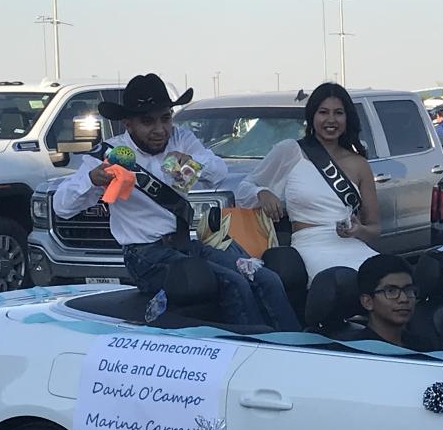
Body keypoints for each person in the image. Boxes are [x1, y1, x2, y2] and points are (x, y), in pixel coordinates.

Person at [53, 73, 300, 330]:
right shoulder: (110, 153)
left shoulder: (181, 139)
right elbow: (62, 206)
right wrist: (93, 180)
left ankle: (297, 347)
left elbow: (219, 174)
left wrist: (192, 166)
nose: (160, 129)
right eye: (147, 121)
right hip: (144, 255)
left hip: (186, 245)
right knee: (233, 282)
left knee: (265, 277)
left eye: (165, 118)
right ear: (128, 123)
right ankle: (253, 348)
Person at [237, 82, 379, 286]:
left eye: (338, 113)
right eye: (323, 112)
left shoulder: (359, 164)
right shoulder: (290, 151)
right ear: (312, 116)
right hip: (310, 247)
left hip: (352, 245)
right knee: (343, 282)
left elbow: (374, 229)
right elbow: (243, 189)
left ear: (347, 117)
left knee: (385, 278)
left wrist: (358, 231)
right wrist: (262, 192)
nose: (331, 120)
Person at [354, 254, 433, 351]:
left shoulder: (425, 347)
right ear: (367, 302)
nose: (404, 299)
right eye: (391, 291)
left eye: (408, 290)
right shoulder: (354, 353)